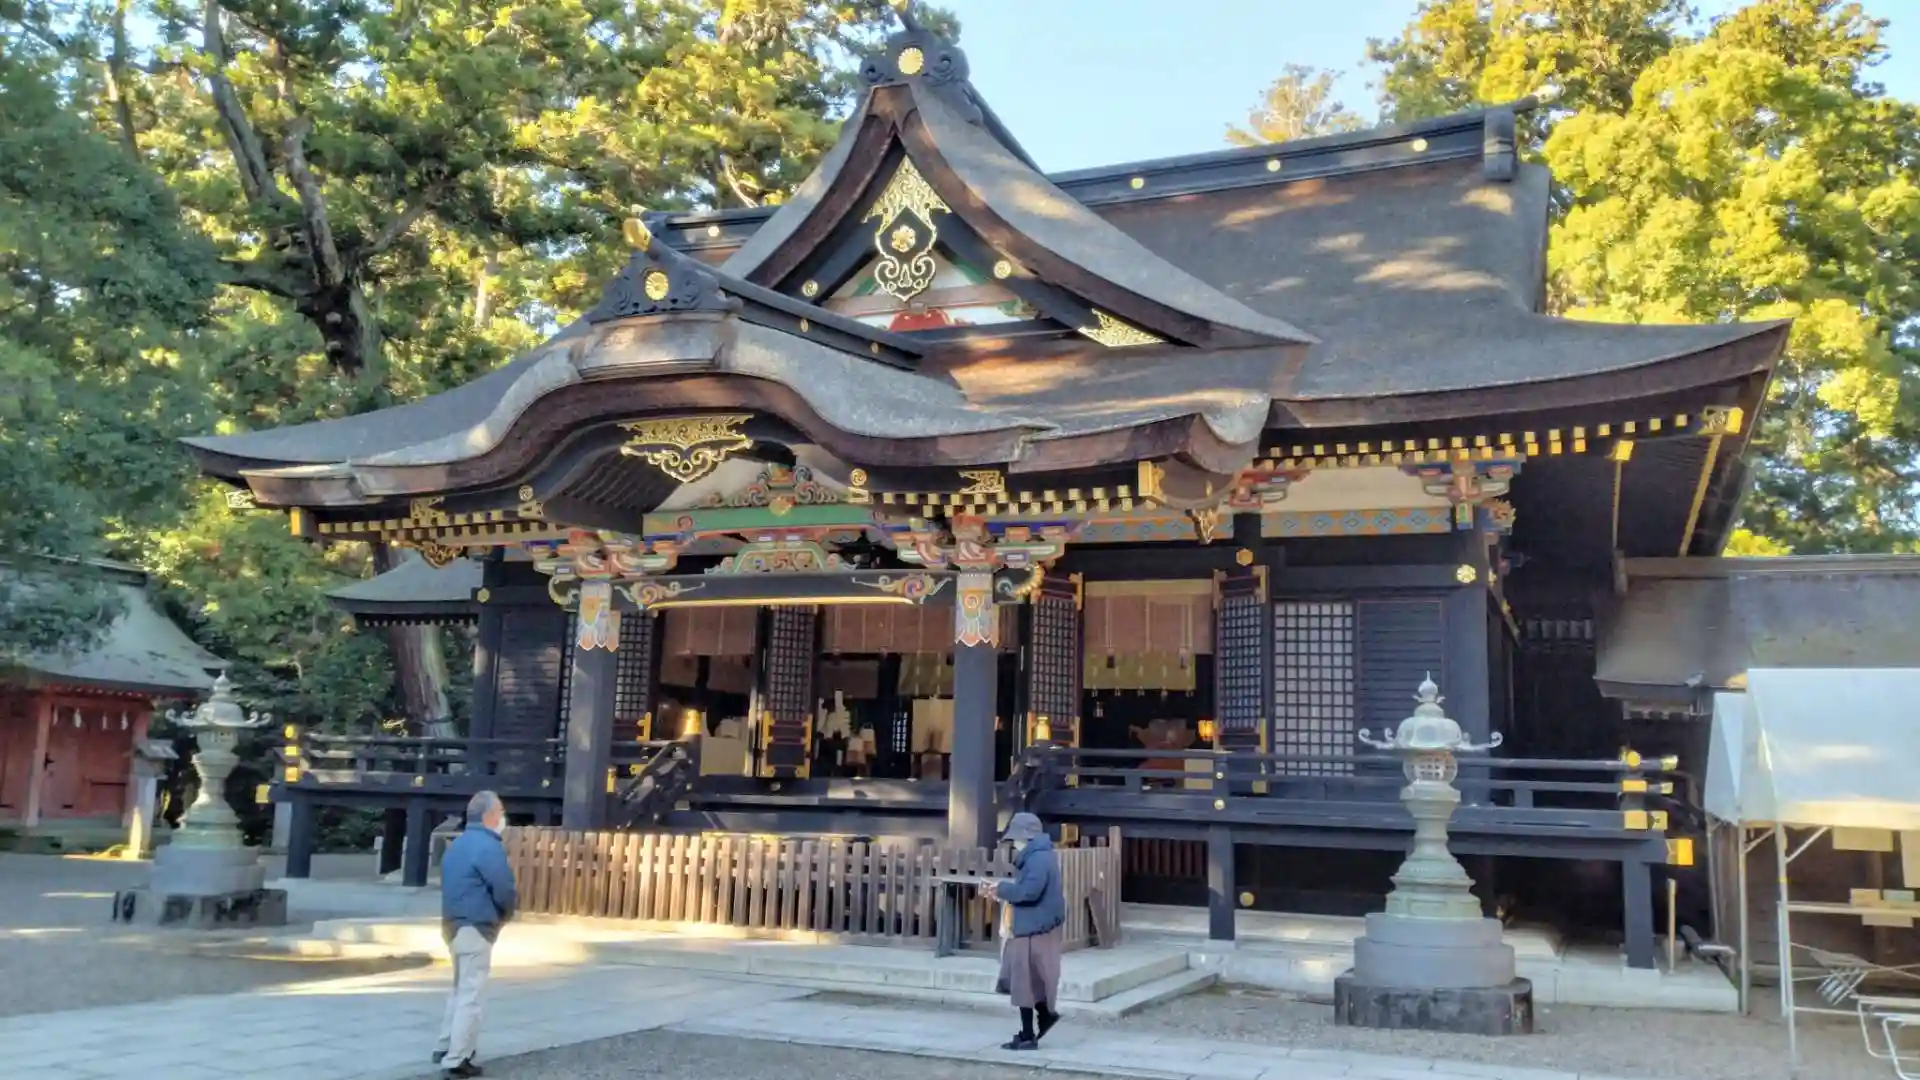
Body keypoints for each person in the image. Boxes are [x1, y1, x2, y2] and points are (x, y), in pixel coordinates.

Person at [433, 790, 518, 1078]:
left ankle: (445, 1044)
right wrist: (506, 914)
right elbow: (504, 888)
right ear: (490, 816)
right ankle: (457, 1058)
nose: (503, 817)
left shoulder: (457, 845)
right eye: (501, 811)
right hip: (477, 924)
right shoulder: (488, 847)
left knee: (459, 988)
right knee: (472, 993)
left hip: (452, 924)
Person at [986, 811, 1065, 1050]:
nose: (1014, 844)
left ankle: (1029, 1034)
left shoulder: (1038, 858)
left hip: (1032, 927)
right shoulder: (1041, 856)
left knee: (1024, 981)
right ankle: (1041, 1020)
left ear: (1025, 836)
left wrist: (1001, 889)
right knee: (1030, 981)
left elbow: (1029, 892)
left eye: (1015, 839)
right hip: (1034, 925)